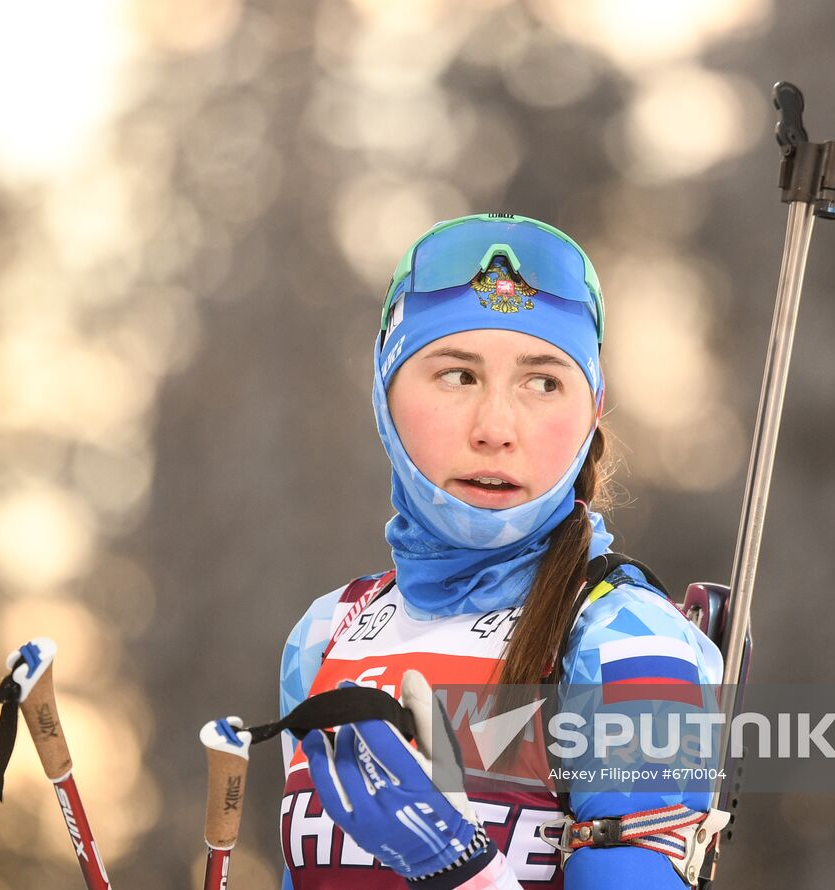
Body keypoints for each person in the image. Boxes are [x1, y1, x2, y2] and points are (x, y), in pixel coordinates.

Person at [277, 214, 725, 888]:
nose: (495, 428)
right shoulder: (325, 632)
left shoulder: (630, 642)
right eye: (456, 375)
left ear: (593, 408)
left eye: (543, 382)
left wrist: (463, 871)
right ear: (384, 394)